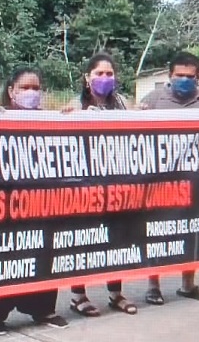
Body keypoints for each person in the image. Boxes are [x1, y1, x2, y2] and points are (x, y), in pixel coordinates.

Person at [0, 67, 69, 335]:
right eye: (25, 88)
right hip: (4, 203)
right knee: (2, 255)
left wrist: (74, 120)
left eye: (36, 88)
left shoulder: (50, 120)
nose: (31, 93)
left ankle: (42, 309)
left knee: (42, 252)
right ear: (11, 91)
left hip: (40, 202)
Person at [139, 51, 199, 305]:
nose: (184, 80)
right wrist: (137, 115)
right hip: (158, 179)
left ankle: (188, 284)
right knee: (156, 231)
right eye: (179, 75)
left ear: (198, 77)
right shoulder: (154, 100)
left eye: (189, 76)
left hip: (194, 180)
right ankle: (153, 285)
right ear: (170, 75)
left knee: (192, 228)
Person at [64, 52, 138, 316]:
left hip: (116, 184)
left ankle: (115, 293)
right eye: (99, 73)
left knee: (115, 238)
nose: (104, 78)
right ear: (87, 77)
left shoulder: (123, 105)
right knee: (81, 239)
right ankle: (78, 295)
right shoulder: (75, 105)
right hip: (83, 186)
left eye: (109, 73)